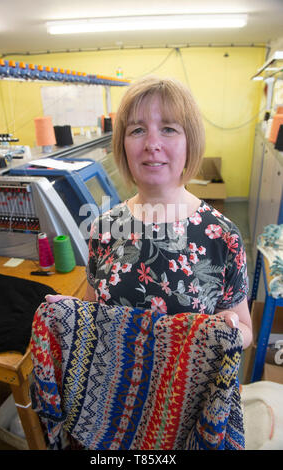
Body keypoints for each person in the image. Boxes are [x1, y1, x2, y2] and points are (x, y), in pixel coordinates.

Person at [48, 75, 252, 350]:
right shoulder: (104, 228)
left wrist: (231, 329)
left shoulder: (222, 236)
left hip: (184, 391)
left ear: (190, 141)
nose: (152, 144)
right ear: (123, 144)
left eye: (168, 128)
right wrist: (73, 314)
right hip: (115, 388)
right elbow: (93, 309)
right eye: (137, 130)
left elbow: (246, 329)